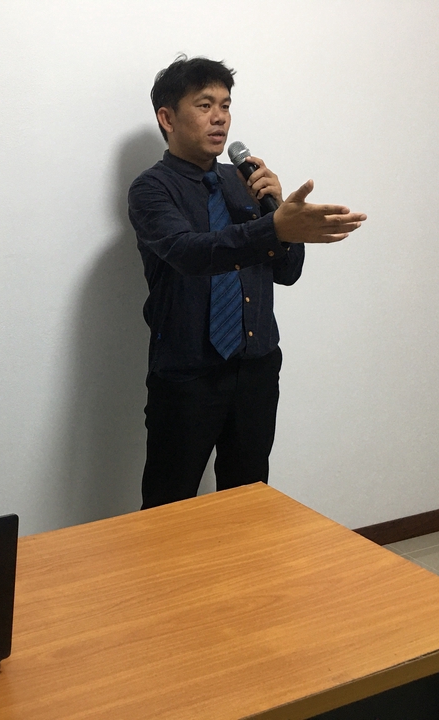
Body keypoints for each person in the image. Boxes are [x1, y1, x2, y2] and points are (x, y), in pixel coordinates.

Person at [129, 56, 366, 509]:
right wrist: (273, 227)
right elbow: (192, 253)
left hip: (256, 368)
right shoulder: (152, 189)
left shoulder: (245, 181)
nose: (219, 117)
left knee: (249, 503)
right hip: (187, 375)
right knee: (167, 508)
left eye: (226, 105)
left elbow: (287, 272)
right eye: (204, 105)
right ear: (167, 118)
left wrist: (277, 214)